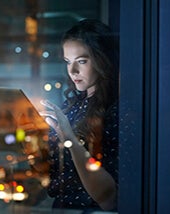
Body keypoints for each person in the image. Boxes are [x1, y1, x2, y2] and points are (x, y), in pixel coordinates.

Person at [40, 19, 119, 212]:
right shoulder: (72, 105)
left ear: (102, 60)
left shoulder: (117, 111)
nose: (72, 71)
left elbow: (109, 199)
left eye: (82, 61)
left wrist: (68, 138)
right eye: (68, 62)